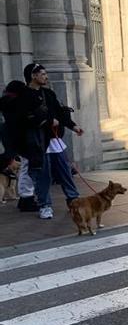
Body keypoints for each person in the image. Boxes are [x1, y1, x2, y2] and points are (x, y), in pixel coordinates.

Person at [18, 64, 84, 219]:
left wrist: (73, 126)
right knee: (43, 176)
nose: (46, 77)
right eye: (42, 74)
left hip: (55, 142)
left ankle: (73, 200)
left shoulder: (49, 93)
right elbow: (25, 119)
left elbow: (60, 113)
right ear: (33, 76)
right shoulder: (24, 96)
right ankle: (45, 205)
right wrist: (48, 121)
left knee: (66, 172)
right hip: (38, 143)